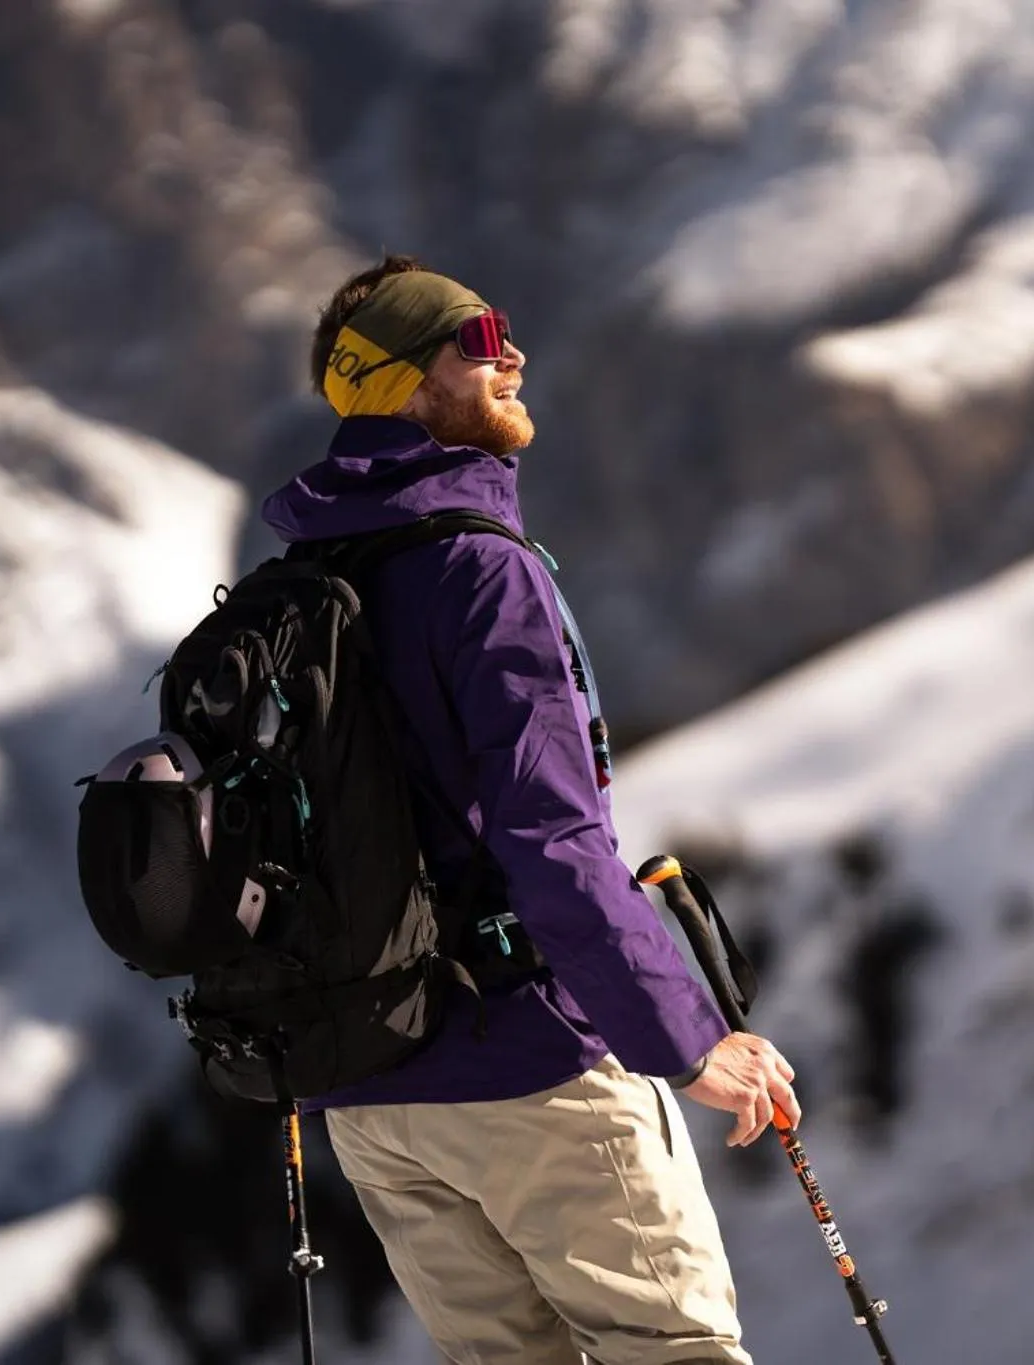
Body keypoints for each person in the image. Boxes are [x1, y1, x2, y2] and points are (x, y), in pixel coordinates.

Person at [260, 256, 801, 1364]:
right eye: (477, 336)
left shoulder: (301, 582)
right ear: (407, 384)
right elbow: (551, 840)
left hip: (369, 1092)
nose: (509, 355)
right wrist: (687, 1043)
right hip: (526, 1067)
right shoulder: (474, 571)